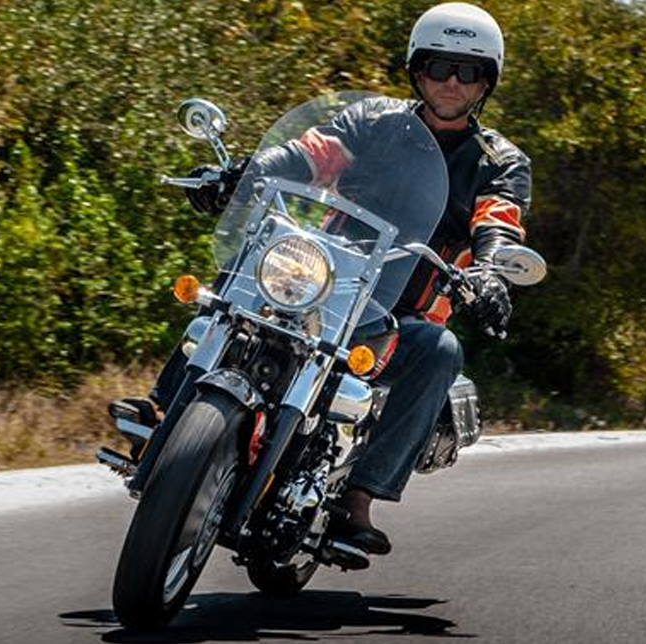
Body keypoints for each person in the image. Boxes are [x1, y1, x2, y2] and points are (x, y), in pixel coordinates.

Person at [116, 2, 531, 566]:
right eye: (439, 67)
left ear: (487, 82)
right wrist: (246, 174)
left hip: (397, 313)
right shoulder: (374, 121)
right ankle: (168, 409)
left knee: (441, 350)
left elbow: (498, 224)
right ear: (418, 69)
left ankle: (358, 499)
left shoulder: (498, 161)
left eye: (469, 71)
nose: (452, 82)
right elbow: (307, 155)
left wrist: (489, 273)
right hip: (323, 279)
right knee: (245, 268)